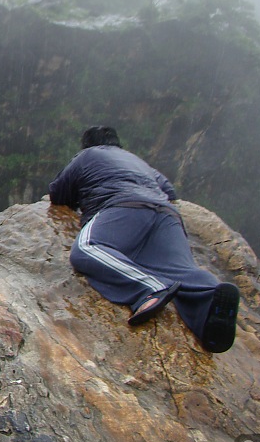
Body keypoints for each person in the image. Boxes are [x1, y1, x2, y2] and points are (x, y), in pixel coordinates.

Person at [48, 126, 239, 353]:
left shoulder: (88, 155)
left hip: (123, 207)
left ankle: (147, 288)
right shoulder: (139, 162)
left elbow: (58, 192)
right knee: (180, 270)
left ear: (87, 144)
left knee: (88, 248)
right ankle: (210, 295)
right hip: (166, 216)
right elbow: (169, 190)